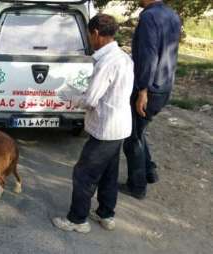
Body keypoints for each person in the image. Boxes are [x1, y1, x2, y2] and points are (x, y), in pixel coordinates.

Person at [52, 14, 134, 233]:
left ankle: (77, 220)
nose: (89, 39)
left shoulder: (107, 62)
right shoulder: (124, 57)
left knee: (84, 174)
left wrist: (68, 98)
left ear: (96, 33)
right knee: (109, 173)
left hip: (105, 129)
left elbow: (90, 100)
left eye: (89, 35)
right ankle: (105, 214)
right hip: (120, 126)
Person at [121, 0, 182, 200]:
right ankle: (149, 171)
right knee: (140, 130)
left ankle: (136, 187)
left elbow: (148, 55)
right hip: (164, 86)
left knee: (132, 138)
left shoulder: (148, 16)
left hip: (150, 89)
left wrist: (142, 90)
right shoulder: (171, 15)